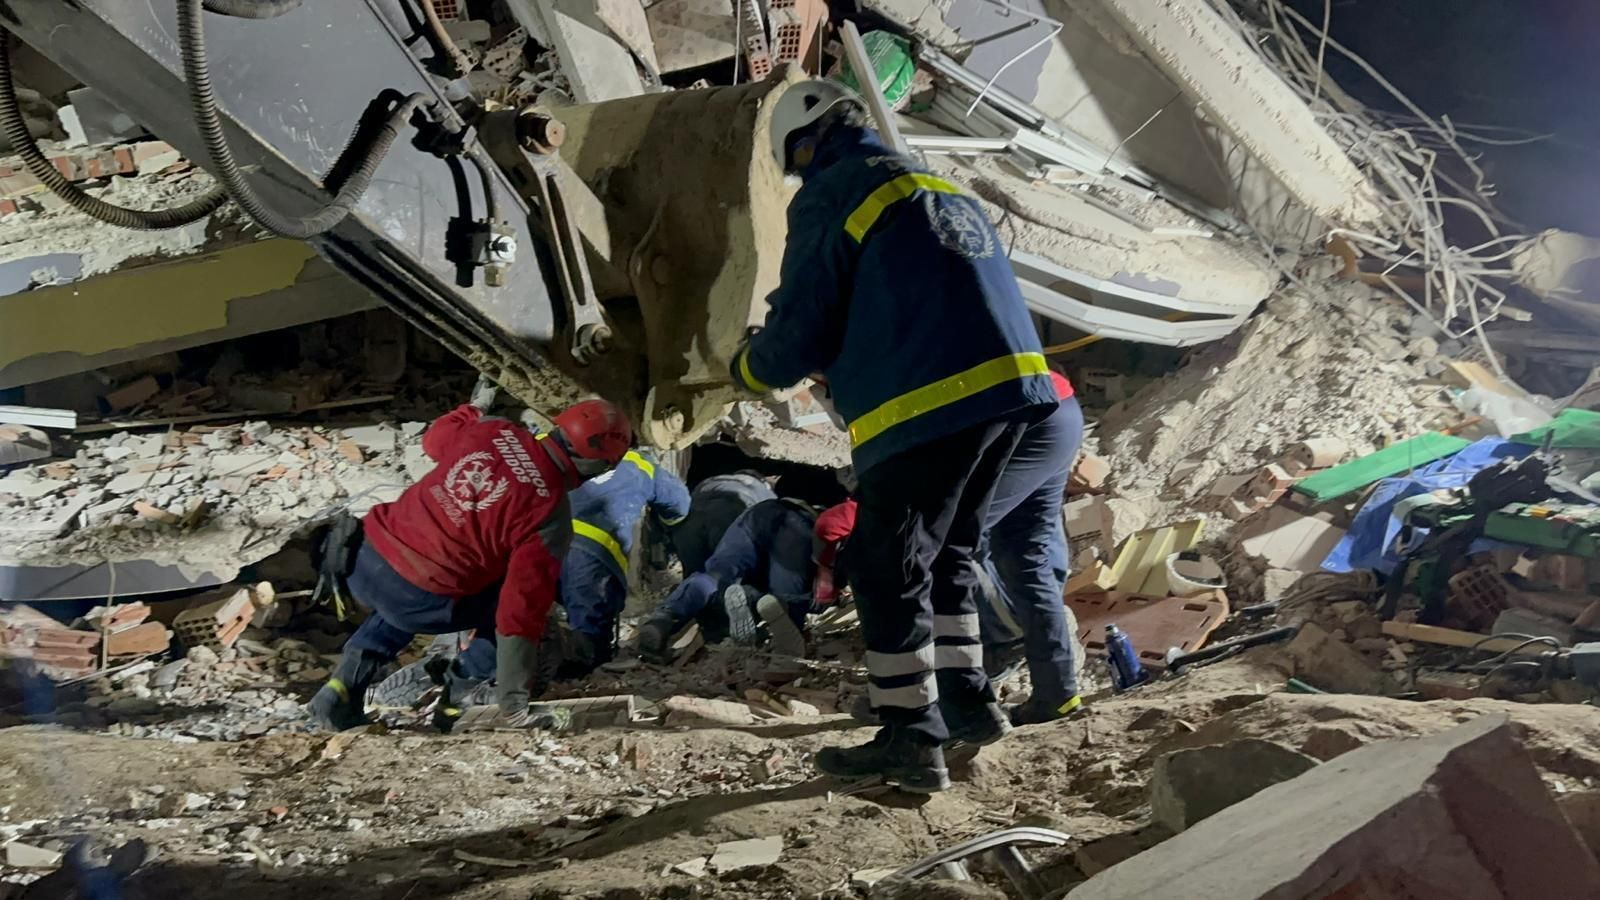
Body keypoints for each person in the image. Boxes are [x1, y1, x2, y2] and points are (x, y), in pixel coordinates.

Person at [728, 79, 1058, 792]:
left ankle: (910, 738)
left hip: (928, 399)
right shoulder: (937, 183)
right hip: (1008, 391)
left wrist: (749, 368)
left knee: (884, 566)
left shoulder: (835, 188)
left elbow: (802, 325)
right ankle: (970, 704)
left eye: (796, 161)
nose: (800, 174)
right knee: (948, 558)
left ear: (807, 144)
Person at [306, 391, 631, 731]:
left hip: (362, 558)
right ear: (598, 467)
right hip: (415, 597)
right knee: (514, 614)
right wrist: (514, 703)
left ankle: (341, 690)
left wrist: (475, 406)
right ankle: (454, 699)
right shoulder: (549, 514)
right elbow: (519, 613)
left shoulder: (494, 430)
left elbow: (434, 440)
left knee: (424, 573)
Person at [972, 370, 1086, 726]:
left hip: (1021, 419)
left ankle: (953, 704)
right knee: (1024, 555)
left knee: (947, 544)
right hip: (1057, 410)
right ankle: (1058, 696)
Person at [637, 497, 844, 660]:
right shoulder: (850, 537)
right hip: (797, 528)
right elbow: (821, 591)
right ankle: (762, 620)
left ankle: (663, 618)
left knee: (715, 575)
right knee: (789, 606)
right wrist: (826, 576)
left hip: (757, 514)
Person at [559, 448, 691, 673]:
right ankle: (584, 676)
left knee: (516, 615)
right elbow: (679, 504)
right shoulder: (637, 463)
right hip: (593, 549)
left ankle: (489, 679)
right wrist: (665, 525)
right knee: (590, 626)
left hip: (538, 540)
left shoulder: (545, 446)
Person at [670, 471, 775, 575]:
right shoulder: (766, 494)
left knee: (693, 577)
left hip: (690, 528)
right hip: (729, 523)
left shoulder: (713, 480)